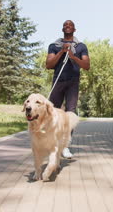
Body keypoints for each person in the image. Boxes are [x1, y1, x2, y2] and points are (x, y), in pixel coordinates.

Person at [46, 20, 90, 158]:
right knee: (52, 112)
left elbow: (86, 65)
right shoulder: (54, 46)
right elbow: (48, 64)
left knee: (70, 113)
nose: (67, 26)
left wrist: (72, 56)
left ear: (74, 29)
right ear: (62, 29)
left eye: (70, 25)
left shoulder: (81, 46)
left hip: (73, 83)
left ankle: (65, 146)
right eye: (65, 25)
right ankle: (52, 143)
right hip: (58, 81)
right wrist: (61, 52)